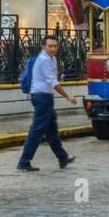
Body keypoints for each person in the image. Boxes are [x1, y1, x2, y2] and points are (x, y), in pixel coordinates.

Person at [17, 35, 78, 172]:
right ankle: (24, 161)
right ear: (44, 47)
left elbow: (52, 79)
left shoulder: (52, 59)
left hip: (46, 97)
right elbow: (53, 82)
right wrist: (68, 96)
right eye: (50, 46)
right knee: (37, 130)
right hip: (41, 97)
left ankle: (62, 157)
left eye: (55, 46)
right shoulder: (44, 60)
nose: (53, 49)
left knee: (51, 130)